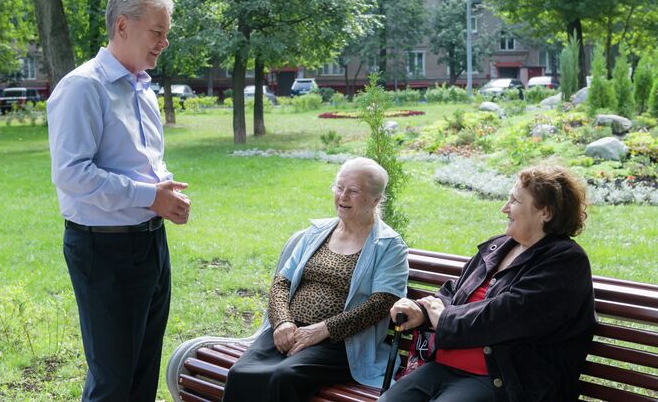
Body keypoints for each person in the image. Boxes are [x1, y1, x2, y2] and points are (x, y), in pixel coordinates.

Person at [47, 0, 192, 401]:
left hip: (150, 244)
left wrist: (165, 194)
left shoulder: (141, 87)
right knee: (113, 381)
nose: (164, 43)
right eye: (158, 32)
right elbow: (72, 174)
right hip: (104, 251)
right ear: (123, 26)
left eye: (167, 34)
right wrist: (150, 197)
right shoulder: (83, 87)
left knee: (143, 373)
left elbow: (143, 162)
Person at [380, 164, 596, 402]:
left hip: (503, 381)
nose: (505, 208)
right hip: (444, 367)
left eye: (514, 201)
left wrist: (443, 318)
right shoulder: (499, 247)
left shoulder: (564, 261)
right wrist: (421, 311)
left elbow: (507, 315)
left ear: (545, 212)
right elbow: (455, 293)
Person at [223, 157, 409, 402]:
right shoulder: (317, 233)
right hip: (289, 330)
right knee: (240, 373)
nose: (342, 196)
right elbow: (282, 282)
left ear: (375, 200)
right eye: (339, 187)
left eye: (353, 191)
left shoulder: (388, 246)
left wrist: (323, 330)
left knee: (284, 377)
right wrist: (281, 323)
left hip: (340, 343)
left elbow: (382, 303)